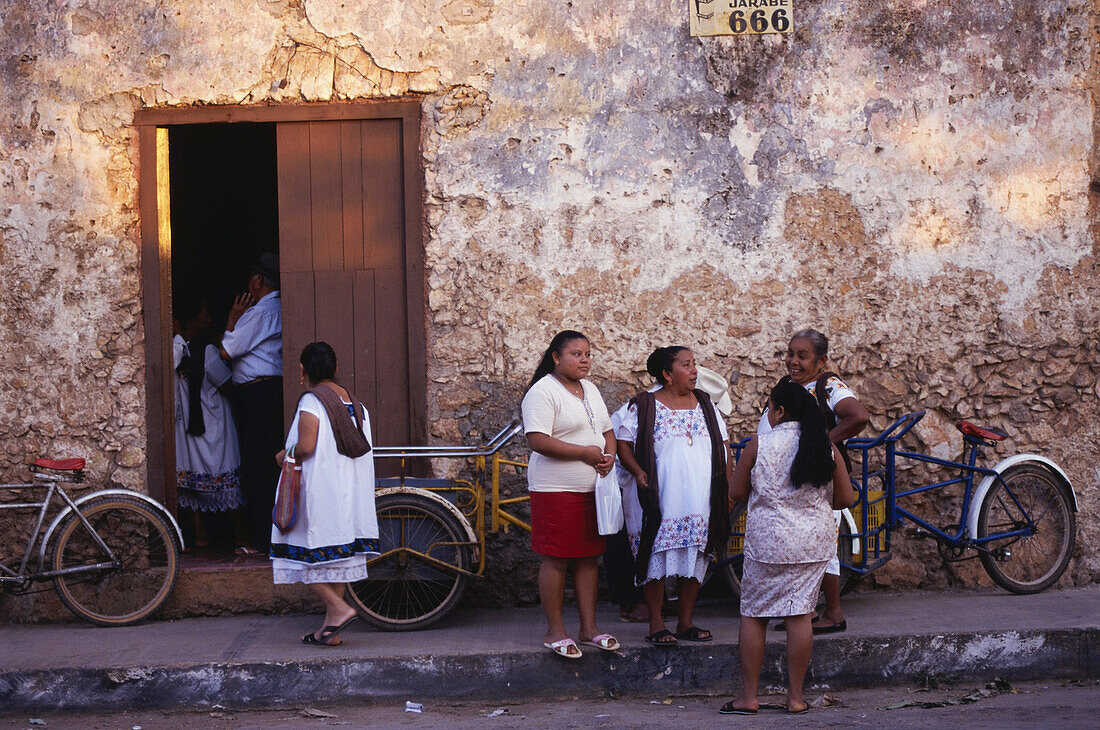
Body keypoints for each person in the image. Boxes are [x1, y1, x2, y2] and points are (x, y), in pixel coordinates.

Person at [722, 378, 854, 715]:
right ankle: (795, 698)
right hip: (811, 543)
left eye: (770, 407)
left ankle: (749, 698)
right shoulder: (825, 447)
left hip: (768, 542)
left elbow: (736, 492)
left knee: (754, 614)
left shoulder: (759, 444)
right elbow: (845, 498)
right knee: (800, 616)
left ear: (780, 411)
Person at [613, 347, 731, 647]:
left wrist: (728, 487)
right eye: (687, 365)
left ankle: (685, 621)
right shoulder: (644, 405)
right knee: (655, 554)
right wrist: (639, 473)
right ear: (667, 374)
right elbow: (623, 444)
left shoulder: (706, 404)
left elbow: (725, 446)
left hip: (700, 497)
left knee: (696, 554)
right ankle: (656, 622)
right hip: (658, 497)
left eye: (694, 365)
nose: (694, 371)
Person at [521, 330, 620, 659]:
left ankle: (589, 628)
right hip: (555, 488)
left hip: (591, 488)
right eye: (576, 354)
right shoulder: (543, 392)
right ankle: (555, 631)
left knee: (588, 558)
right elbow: (537, 440)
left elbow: (607, 430)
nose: (584, 359)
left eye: (587, 354)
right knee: (558, 557)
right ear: (556, 357)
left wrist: (610, 456)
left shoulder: (589, 389)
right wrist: (582, 453)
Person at [761, 329, 868, 633]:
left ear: (821, 361)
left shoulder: (829, 386)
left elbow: (858, 416)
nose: (792, 361)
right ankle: (804, 612)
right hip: (794, 478)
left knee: (824, 547)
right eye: (790, 353)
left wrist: (821, 444)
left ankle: (833, 613)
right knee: (798, 545)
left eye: (802, 356)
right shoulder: (788, 386)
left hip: (819, 477)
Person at [272, 342, 379, 647]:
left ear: (303, 371)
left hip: (320, 493)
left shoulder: (312, 402)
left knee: (300, 553)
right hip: (350, 494)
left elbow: (306, 447)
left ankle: (340, 608)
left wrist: (283, 455)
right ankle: (332, 628)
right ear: (335, 369)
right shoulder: (358, 407)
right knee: (341, 559)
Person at [221, 252, 283, 552]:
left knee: (257, 466)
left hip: (257, 396)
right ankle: (273, 535)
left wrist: (232, 319)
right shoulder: (280, 307)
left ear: (258, 281)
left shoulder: (259, 312)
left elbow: (225, 351)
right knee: (271, 463)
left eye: (251, 277)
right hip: (270, 393)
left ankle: (261, 539)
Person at [175, 298, 244, 548]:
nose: (208, 319)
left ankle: (201, 535)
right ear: (193, 319)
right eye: (203, 315)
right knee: (227, 477)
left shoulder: (177, 350)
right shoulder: (207, 351)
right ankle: (239, 537)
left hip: (190, 427)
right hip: (213, 422)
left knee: (193, 479)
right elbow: (226, 382)